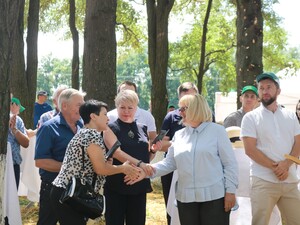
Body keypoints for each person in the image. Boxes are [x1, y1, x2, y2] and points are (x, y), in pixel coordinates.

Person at [128, 94, 238, 225]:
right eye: (179, 109)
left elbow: (230, 164)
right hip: (185, 199)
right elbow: (170, 163)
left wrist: (230, 191)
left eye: (183, 109)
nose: (179, 112)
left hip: (215, 198)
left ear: (196, 109)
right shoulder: (179, 135)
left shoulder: (218, 131)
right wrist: (146, 171)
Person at [50, 99, 140, 225]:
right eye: (104, 114)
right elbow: (100, 169)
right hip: (70, 193)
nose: (108, 119)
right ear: (93, 116)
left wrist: (107, 165)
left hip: (69, 192)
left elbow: (97, 168)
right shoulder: (91, 135)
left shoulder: (85, 133)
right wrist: (123, 168)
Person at [241, 72, 300, 225]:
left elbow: (298, 143)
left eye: (269, 87)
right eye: (261, 88)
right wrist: (276, 168)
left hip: (290, 181)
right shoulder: (250, 118)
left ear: (278, 90)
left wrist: (286, 166)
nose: (265, 91)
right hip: (263, 180)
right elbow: (250, 150)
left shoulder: (291, 116)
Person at [104, 89, 159, 225]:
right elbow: (117, 153)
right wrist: (140, 165)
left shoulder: (142, 128)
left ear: (136, 108)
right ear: (116, 107)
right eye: (122, 107)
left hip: (139, 183)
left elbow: (146, 157)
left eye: (130, 107)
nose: (126, 111)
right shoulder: (110, 128)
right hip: (118, 183)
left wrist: (152, 152)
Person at [34, 88, 86, 225]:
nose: (83, 108)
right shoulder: (48, 128)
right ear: (64, 106)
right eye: (79, 105)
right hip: (52, 188)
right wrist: (70, 168)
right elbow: (40, 161)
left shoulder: (82, 126)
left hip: (77, 190)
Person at [159, 81, 198, 225]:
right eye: (182, 105)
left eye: (191, 100)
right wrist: (177, 146)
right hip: (172, 170)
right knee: (173, 211)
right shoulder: (171, 118)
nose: (183, 111)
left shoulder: (212, 125)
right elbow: (162, 145)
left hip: (199, 177)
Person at [8, 97, 29, 189]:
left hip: (13, 165)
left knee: (12, 199)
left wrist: (14, 129)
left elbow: (26, 143)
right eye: (19, 108)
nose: (19, 111)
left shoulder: (18, 121)